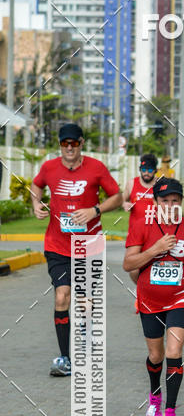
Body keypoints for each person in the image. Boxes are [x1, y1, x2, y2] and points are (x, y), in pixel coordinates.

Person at [31, 122, 122, 376]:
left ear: (81, 144)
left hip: (89, 243)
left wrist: (95, 210)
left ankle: (86, 346)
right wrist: (36, 204)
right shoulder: (49, 168)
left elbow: (117, 196)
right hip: (58, 245)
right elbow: (36, 185)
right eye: (64, 143)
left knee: (85, 302)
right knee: (62, 295)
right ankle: (64, 358)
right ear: (60, 145)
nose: (69, 148)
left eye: (74, 143)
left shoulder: (96, 168)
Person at [123, 177, 184, 416]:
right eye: (164, 201)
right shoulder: (141, 225)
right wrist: (155, 249)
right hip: (149, 300)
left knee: (173, 353)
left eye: (175, 200)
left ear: (181, 202)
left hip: (180, 296)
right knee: (156, 355)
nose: (170, 205)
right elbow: (128, 264)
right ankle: (155, 397)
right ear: (155, 202)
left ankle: (169, 413)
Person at [123, 153, 160, 286]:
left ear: (155, 170)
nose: (146, 173)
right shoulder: (132, 183)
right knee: (134, 269)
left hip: (156, 232)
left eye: (150, 170)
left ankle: (155, 295)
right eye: (143, 170)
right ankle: (143, 291)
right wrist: (125, 204)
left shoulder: (160, 184)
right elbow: (122, 199)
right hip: (136, 234)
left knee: (156, 266)